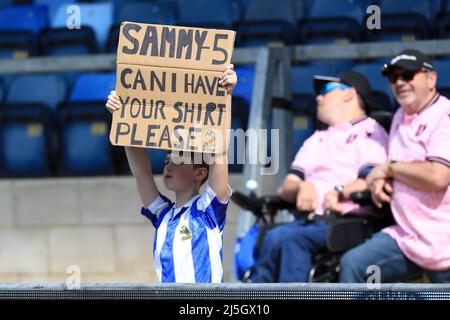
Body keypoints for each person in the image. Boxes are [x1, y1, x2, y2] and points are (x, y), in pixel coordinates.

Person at [249, 71, 389, 283]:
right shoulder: (316, 139)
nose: (318, 97)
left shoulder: (370, 130)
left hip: (350, 221)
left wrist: (341, 190)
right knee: (271, 236)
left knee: (290, 239)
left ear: (349, 94)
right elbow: (286, 187)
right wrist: (302, 187)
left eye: (325, 91)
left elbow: (372, 179)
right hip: (311, 222)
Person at [105, 64, 237, 283]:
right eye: (167, 160)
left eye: (177, 160)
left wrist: (226, 95)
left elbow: (220, 153)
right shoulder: (162, 215)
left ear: (200, 173)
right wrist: (122, 117)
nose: (168, 165)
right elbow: (142, 173)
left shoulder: (208, 210)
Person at [340, 49, 450, 283]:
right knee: (353, 264)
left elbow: (438, 176)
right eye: (393, 77)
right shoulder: (400, 114)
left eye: (408, 75)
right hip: (408, 239)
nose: (400, 82)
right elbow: (401, 165)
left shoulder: (444, 116)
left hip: (444, 242)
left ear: (431, 79)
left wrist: (389, 168)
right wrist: (381, 180)